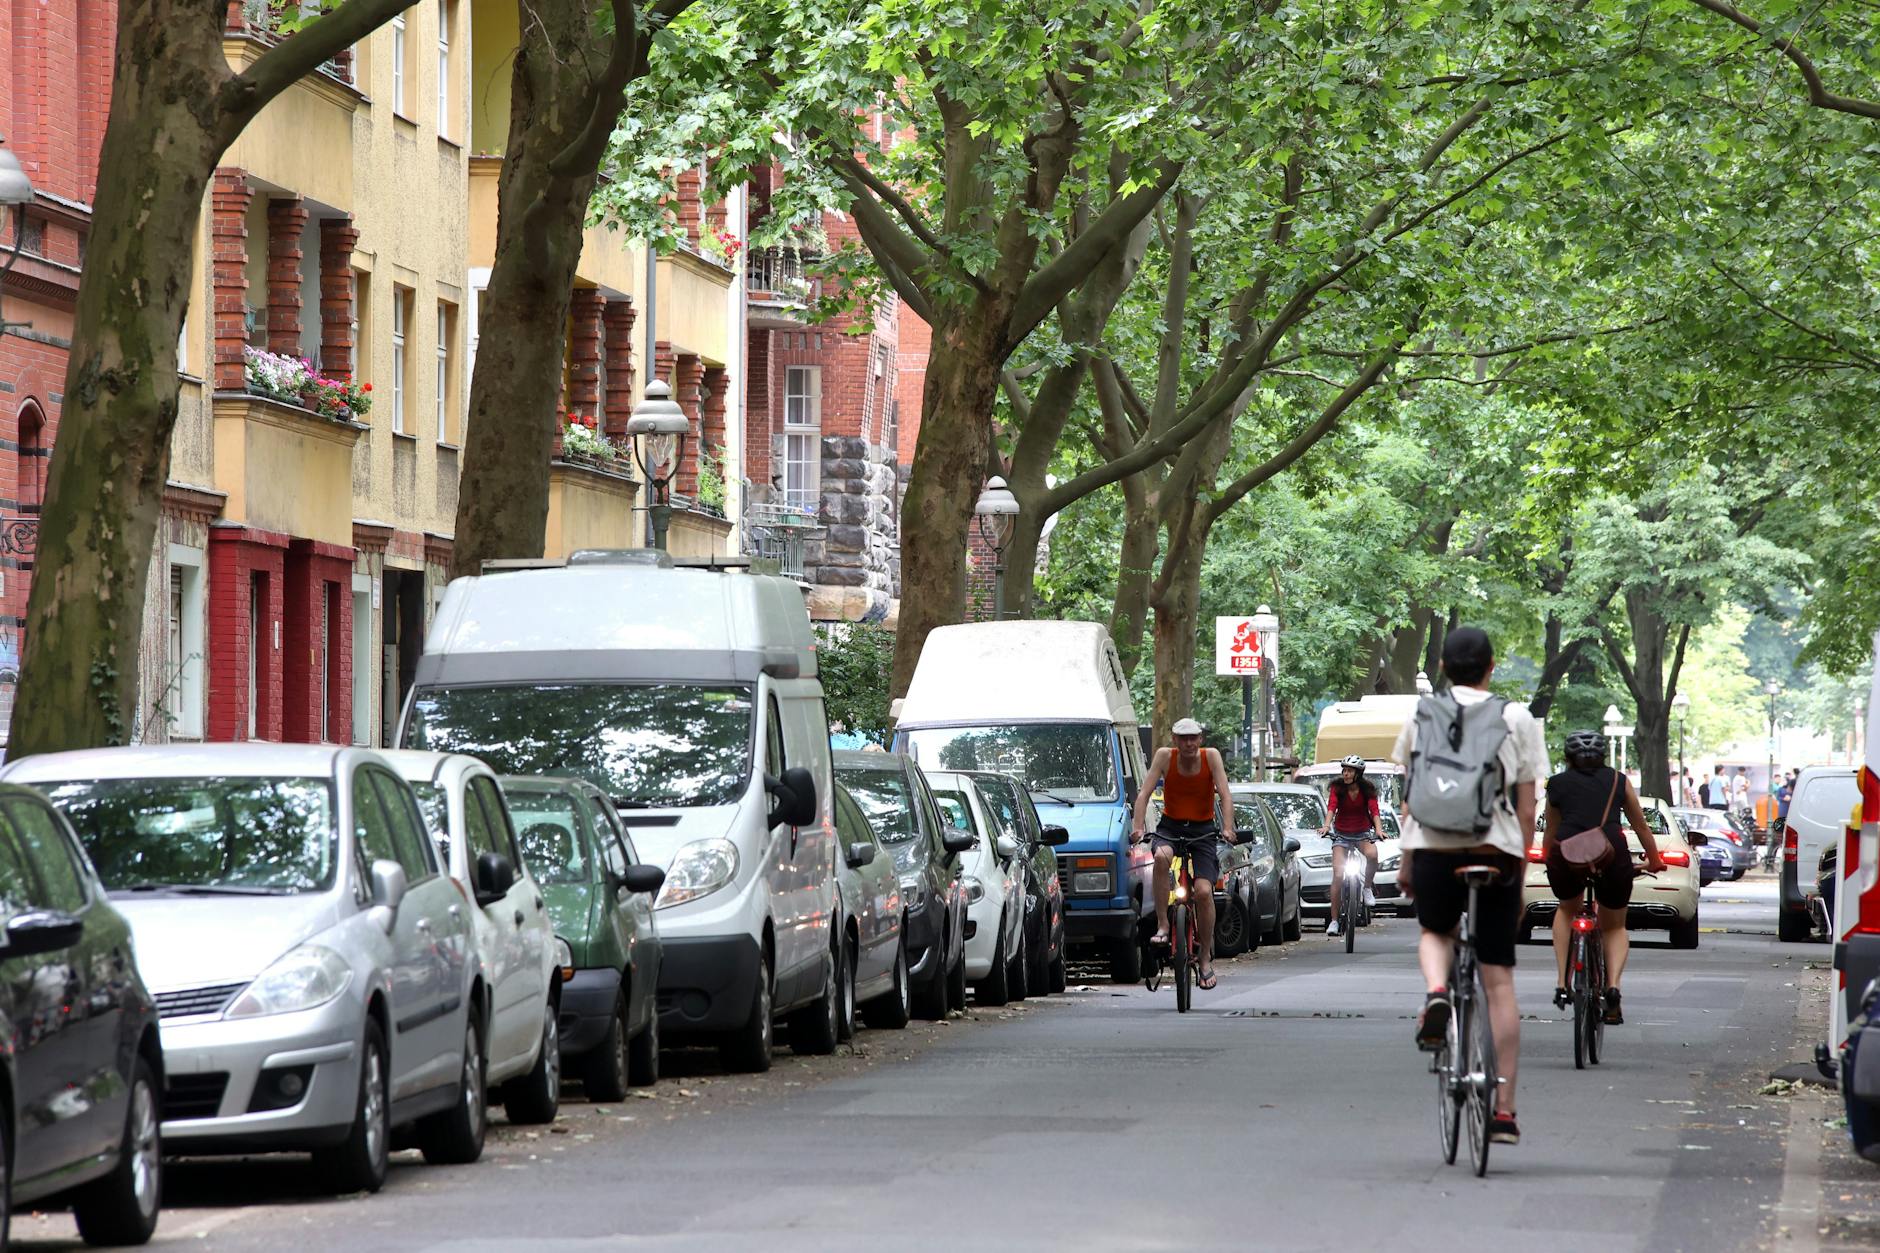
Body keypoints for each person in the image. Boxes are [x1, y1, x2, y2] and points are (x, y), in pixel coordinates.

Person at [1393, 626, 1546, 1147]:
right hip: (1494, 851)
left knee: (1436, 930)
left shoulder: (1422, 715)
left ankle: (1437, 993)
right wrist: (1520, 871)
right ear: (1491, 666)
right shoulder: (1517, 717)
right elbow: (1527, 807)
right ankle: (1504, 1110)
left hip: (1433, 848)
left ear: (1442, 664)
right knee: (1498, 979)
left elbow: (1412, 796)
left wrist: (1409, 859)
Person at [1540, 730, 1666, 1025]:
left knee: (1566, 909)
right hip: (1611, 854)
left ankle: (1561, 982)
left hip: (1567, 854)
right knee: (1614, 927)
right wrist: (1655, 860)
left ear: (1568, 758)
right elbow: (1641, 826)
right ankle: (1613, 988)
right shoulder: (1618, 781)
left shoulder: (1556, 785)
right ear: (1603, 756)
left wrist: (1548, 857)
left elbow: (1552, 830)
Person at [1130, 717, 1237, 990]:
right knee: (1162, 858)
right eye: (1183, 738)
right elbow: (1143, 794)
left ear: (1200, 739)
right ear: (1174, 740)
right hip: (1171, 826)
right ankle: (1164, 925)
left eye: (1194, 737)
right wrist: (1137, 827)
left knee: (1203, 891)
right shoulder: (1165, 757)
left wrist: (1226, 828)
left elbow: (1224, 794)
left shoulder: (1211, 757)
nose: (1189, 743)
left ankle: (1204, 960)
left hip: (1202, 830)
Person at [1324, 754, 1385, 939]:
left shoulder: (1368, 790)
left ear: (1358, 773)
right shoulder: (1337, 788)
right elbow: (1331, 808)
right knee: (1337, 873)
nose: (1346, 773)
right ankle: (1334, 920)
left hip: (1362, 833)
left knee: (1373, 855)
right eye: (1344, 770)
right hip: (1341, 834)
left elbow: (1374, 811)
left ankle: (1366, 888)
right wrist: (1327, 826)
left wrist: (1379, 829)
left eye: (1349, 770)